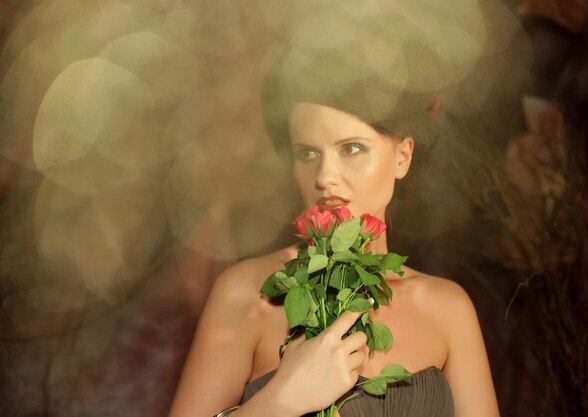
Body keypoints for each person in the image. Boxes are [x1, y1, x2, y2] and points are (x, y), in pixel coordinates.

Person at [169, 2, 514, 416]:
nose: (324, 177)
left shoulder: (447, 308)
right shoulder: (248, 293)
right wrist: (281, 401)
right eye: (308, 153)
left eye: (352, 149)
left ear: (403, 156)